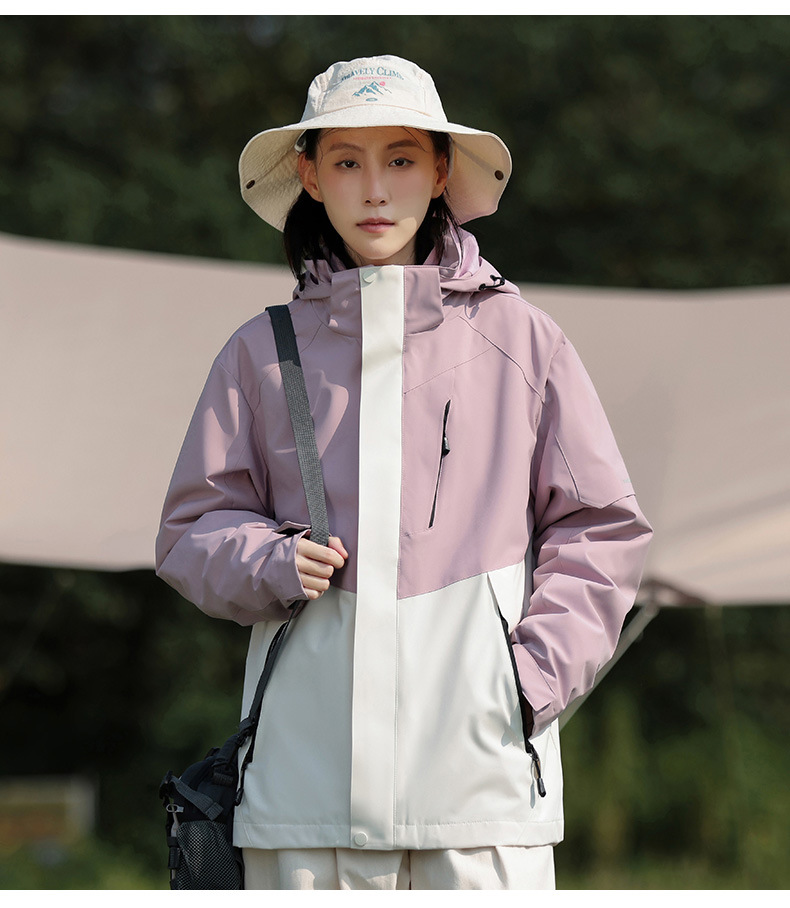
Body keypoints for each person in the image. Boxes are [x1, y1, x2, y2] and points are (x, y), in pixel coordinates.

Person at [155, 55, 652, 890]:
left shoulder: (521, 339)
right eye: (348, 162)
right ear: (311, 177)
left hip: (482, 790)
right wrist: (271, 560)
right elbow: (190, 531)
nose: (376, 190)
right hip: (303, 791)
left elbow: (601, 526)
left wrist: (529, 682)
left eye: (401, 159)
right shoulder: (260, 352)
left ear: (441, 171)